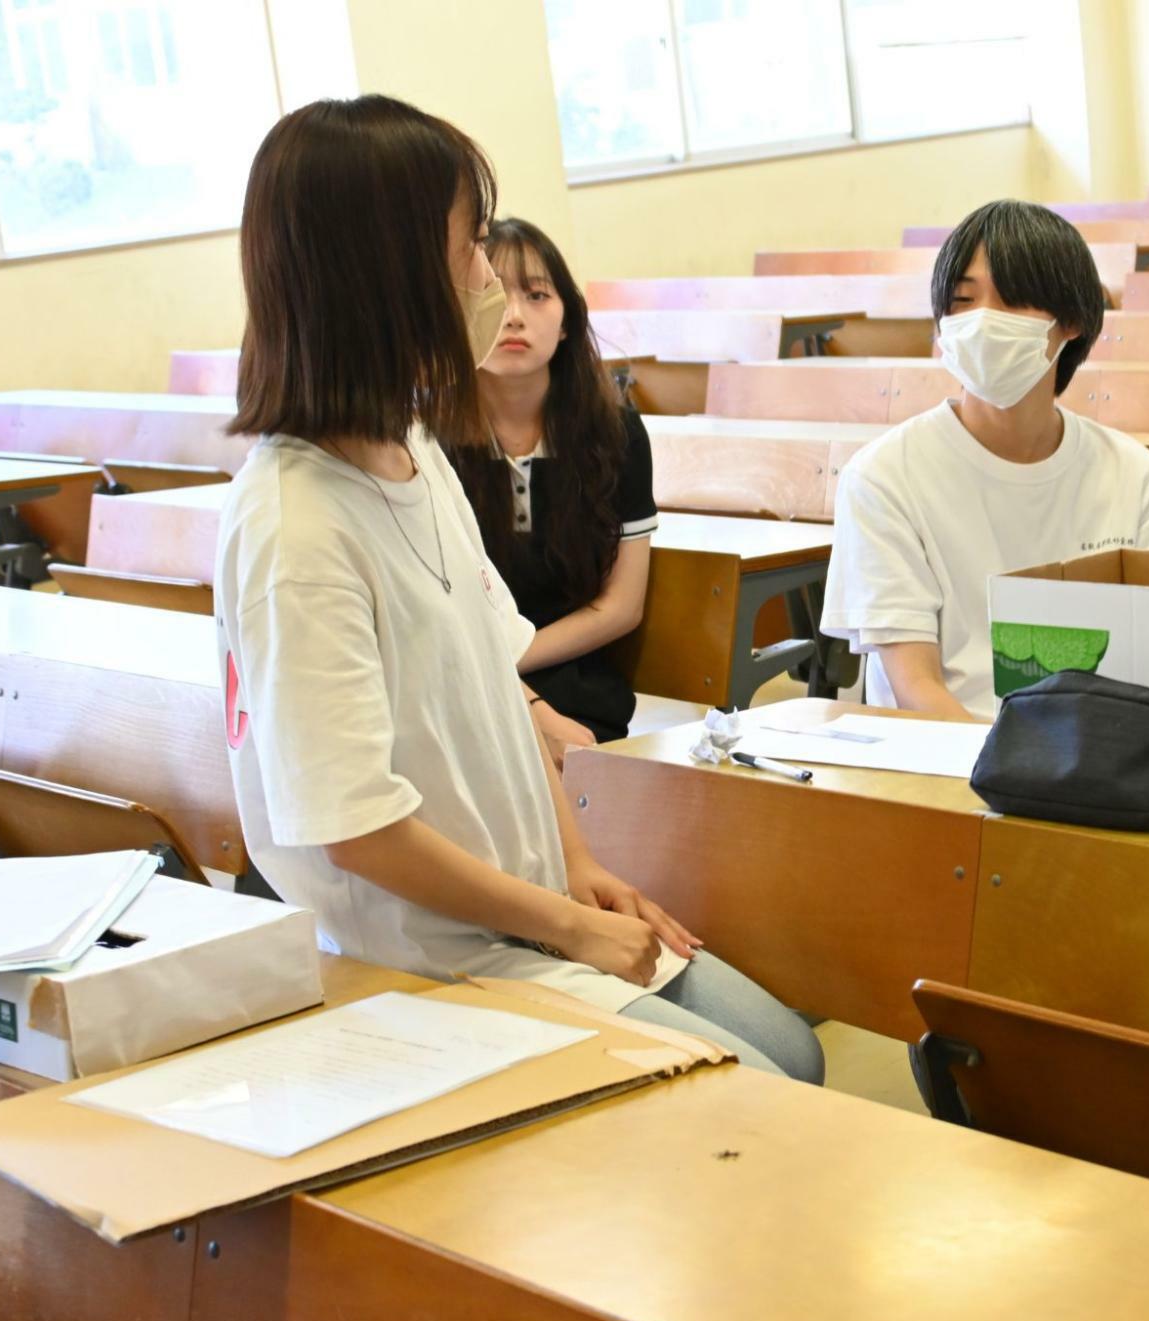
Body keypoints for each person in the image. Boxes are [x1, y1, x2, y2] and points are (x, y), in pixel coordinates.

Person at [215, 95, 821, 1083]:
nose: (491, 281)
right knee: (772, 1089)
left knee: (793, 1050)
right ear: (388, 274)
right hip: (420, 961)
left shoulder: (412, 446)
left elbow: (504, 690)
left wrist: (575, 867)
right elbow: (355, 827)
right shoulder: (298, 523)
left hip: (524, 907)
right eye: (470, 248)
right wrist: (566, 926)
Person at [820, 199, 1149, 719]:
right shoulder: (883, 478)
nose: (982, 321)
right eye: (962, 301)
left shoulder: (1135, 474)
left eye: (1012, 301)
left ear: (1072, 321)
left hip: (1101, 758)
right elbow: (916, 688)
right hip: (947, 765)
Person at [441, 216, 656, 751]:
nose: (514, 316)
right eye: (493, 293)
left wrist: (507, 659)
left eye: (537, 295)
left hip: (578, 691)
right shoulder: (424, 440)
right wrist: (489, 673)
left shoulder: (616, 433)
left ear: (566, 321)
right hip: (456, 695)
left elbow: (621, 606)